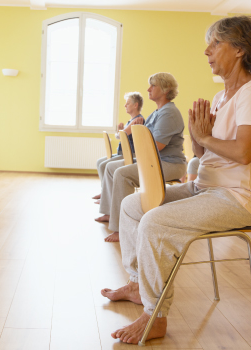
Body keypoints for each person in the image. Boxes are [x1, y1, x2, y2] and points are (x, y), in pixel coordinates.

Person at [101, 15, 251, 344]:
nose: (207, 51)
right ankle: (139, 284)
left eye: (215, 43)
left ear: (239, 50)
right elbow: (204, 151)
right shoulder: (220, 97)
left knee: (155, 222)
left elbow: (242, 153)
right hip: (204, 188)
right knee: (131, 205)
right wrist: (199, 137)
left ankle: (156, 315)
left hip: (235, 197)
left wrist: (205, 138)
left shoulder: (249, 93)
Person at [96, 72, 187, 242]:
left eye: (153, 85)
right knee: (110, 167)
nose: (148, 89)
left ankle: (121, 229)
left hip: (170, 163)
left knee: (122, 174)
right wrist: (138, 131)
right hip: (154, 160)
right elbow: (147, 146)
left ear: (165, 89)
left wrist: (137, 131)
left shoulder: (169, 113)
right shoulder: (156, 113)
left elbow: (155, 146)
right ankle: (110, 213)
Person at [93, 92, 144, 201]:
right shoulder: (131, 121)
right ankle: (105, 193)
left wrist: (120, 132)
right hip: (123, 153)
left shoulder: (137, 120)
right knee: (100, 163)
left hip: (130, 154)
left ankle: (107, 196)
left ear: (136, 105)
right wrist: (120, 131)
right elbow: (121, 135)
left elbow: (120, 136)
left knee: (104, 165)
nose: (125, 105)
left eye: (128, 103)